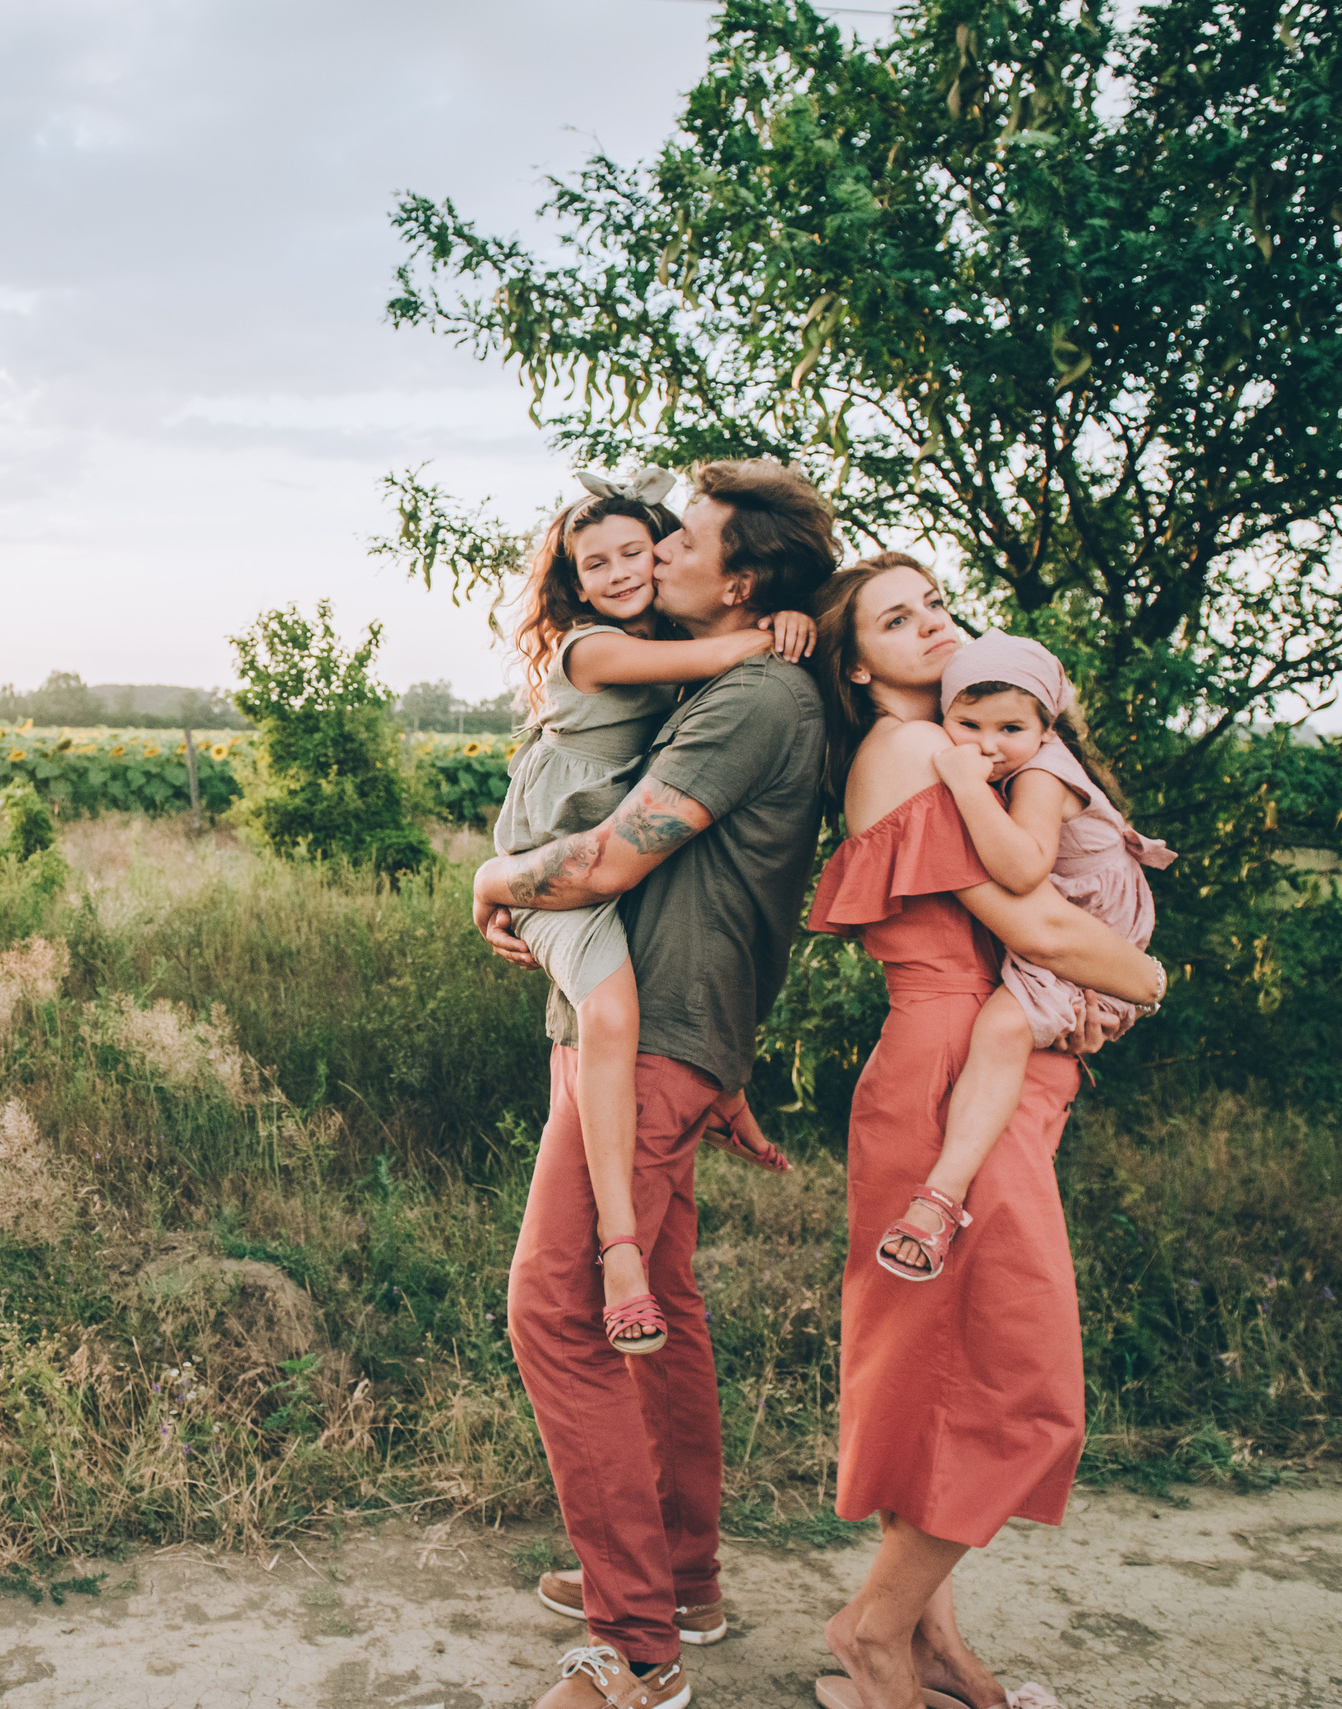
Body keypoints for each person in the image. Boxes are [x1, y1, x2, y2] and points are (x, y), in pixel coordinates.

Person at [475, 458, 837, 1709]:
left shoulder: (753, 694)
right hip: (660, 1036)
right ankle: (678, 1580)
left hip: (651, 1044)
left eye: (683, 539)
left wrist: (490, 878)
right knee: (661, 1306)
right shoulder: (724, 678)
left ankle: (634, 1649)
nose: (659, 550)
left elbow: (602, 865)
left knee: (557, 1309)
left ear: (740, 579)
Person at [804, 553, 1168, 1709]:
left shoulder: (955, 744)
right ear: (854, 665)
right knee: (1019, 1380)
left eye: (934, 604)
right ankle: (873, 1631)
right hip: (950, 1073)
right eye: (894, 618)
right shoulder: (919, 746)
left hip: (972, 1067)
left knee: (935, 1370)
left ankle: (926, 1640)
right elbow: (1041, 923)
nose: (930, 624)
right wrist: (1146, 976)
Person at [492, 468, 803, 1359]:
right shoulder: (591, 649)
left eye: (643, 550)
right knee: (613, 1013)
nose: (627, 570)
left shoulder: (679, 647)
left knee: (634, 998)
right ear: (575, 584)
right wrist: (781, 629)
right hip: (551, 852)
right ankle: (618, 1247)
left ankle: (698, 1148)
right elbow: (705, 660)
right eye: (598, 563)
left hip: (597, 867)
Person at [874, 631, 1177, 1282]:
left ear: (1046, 728)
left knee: (1003, 1029)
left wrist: (962, 783)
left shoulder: (1041, 774)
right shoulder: (1018, 762)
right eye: (968, 724)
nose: (988, 744)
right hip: (1080, 927)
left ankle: (940, 1199)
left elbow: (1021, 869)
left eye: (1011, 727)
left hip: (1096, 932)